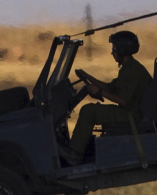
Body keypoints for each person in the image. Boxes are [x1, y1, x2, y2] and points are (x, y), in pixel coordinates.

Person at [61, 30, 152, 163]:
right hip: (131, 112)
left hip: (131, 115)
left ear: (122, 50)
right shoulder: (130, 67)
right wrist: (88, 77)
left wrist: (99, 92)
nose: (112, 53)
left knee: (88, 111)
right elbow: (110, 87)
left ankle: (74, 154)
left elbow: (123, 101)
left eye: (114, 49)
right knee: (90, 110)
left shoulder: (132, 71)